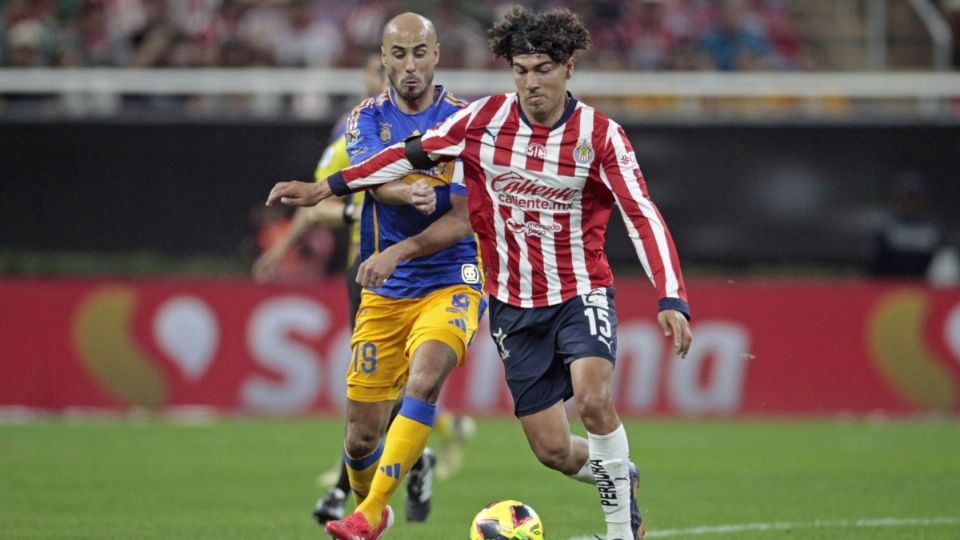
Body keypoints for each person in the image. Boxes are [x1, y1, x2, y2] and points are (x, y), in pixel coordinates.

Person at [266, 7, 693, 540]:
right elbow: (403, 155)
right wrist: (323, 188)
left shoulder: (600, 137)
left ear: (569, 69)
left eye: (544, 68)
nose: (532, 82)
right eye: (522, 70)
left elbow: (642, 214)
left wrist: (671, 297)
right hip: (514, 303)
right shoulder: (484, 121)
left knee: (592, 397)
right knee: (553, 451)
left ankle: (619, 533)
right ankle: (616, 475)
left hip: (580, 289)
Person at [271, 12, 484, 540]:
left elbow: (462, 217)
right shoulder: (364, 118)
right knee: (362, 437)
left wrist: (400, 239)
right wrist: (406, 188)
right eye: (398, 54)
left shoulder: (464, 120)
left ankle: (367, 514)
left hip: (450, 275)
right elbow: (370, 175)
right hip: (387, 288)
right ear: (383, 60)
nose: (410, 66)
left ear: (436, 56)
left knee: (426, 376)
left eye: (419, 53)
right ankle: (378, 506)